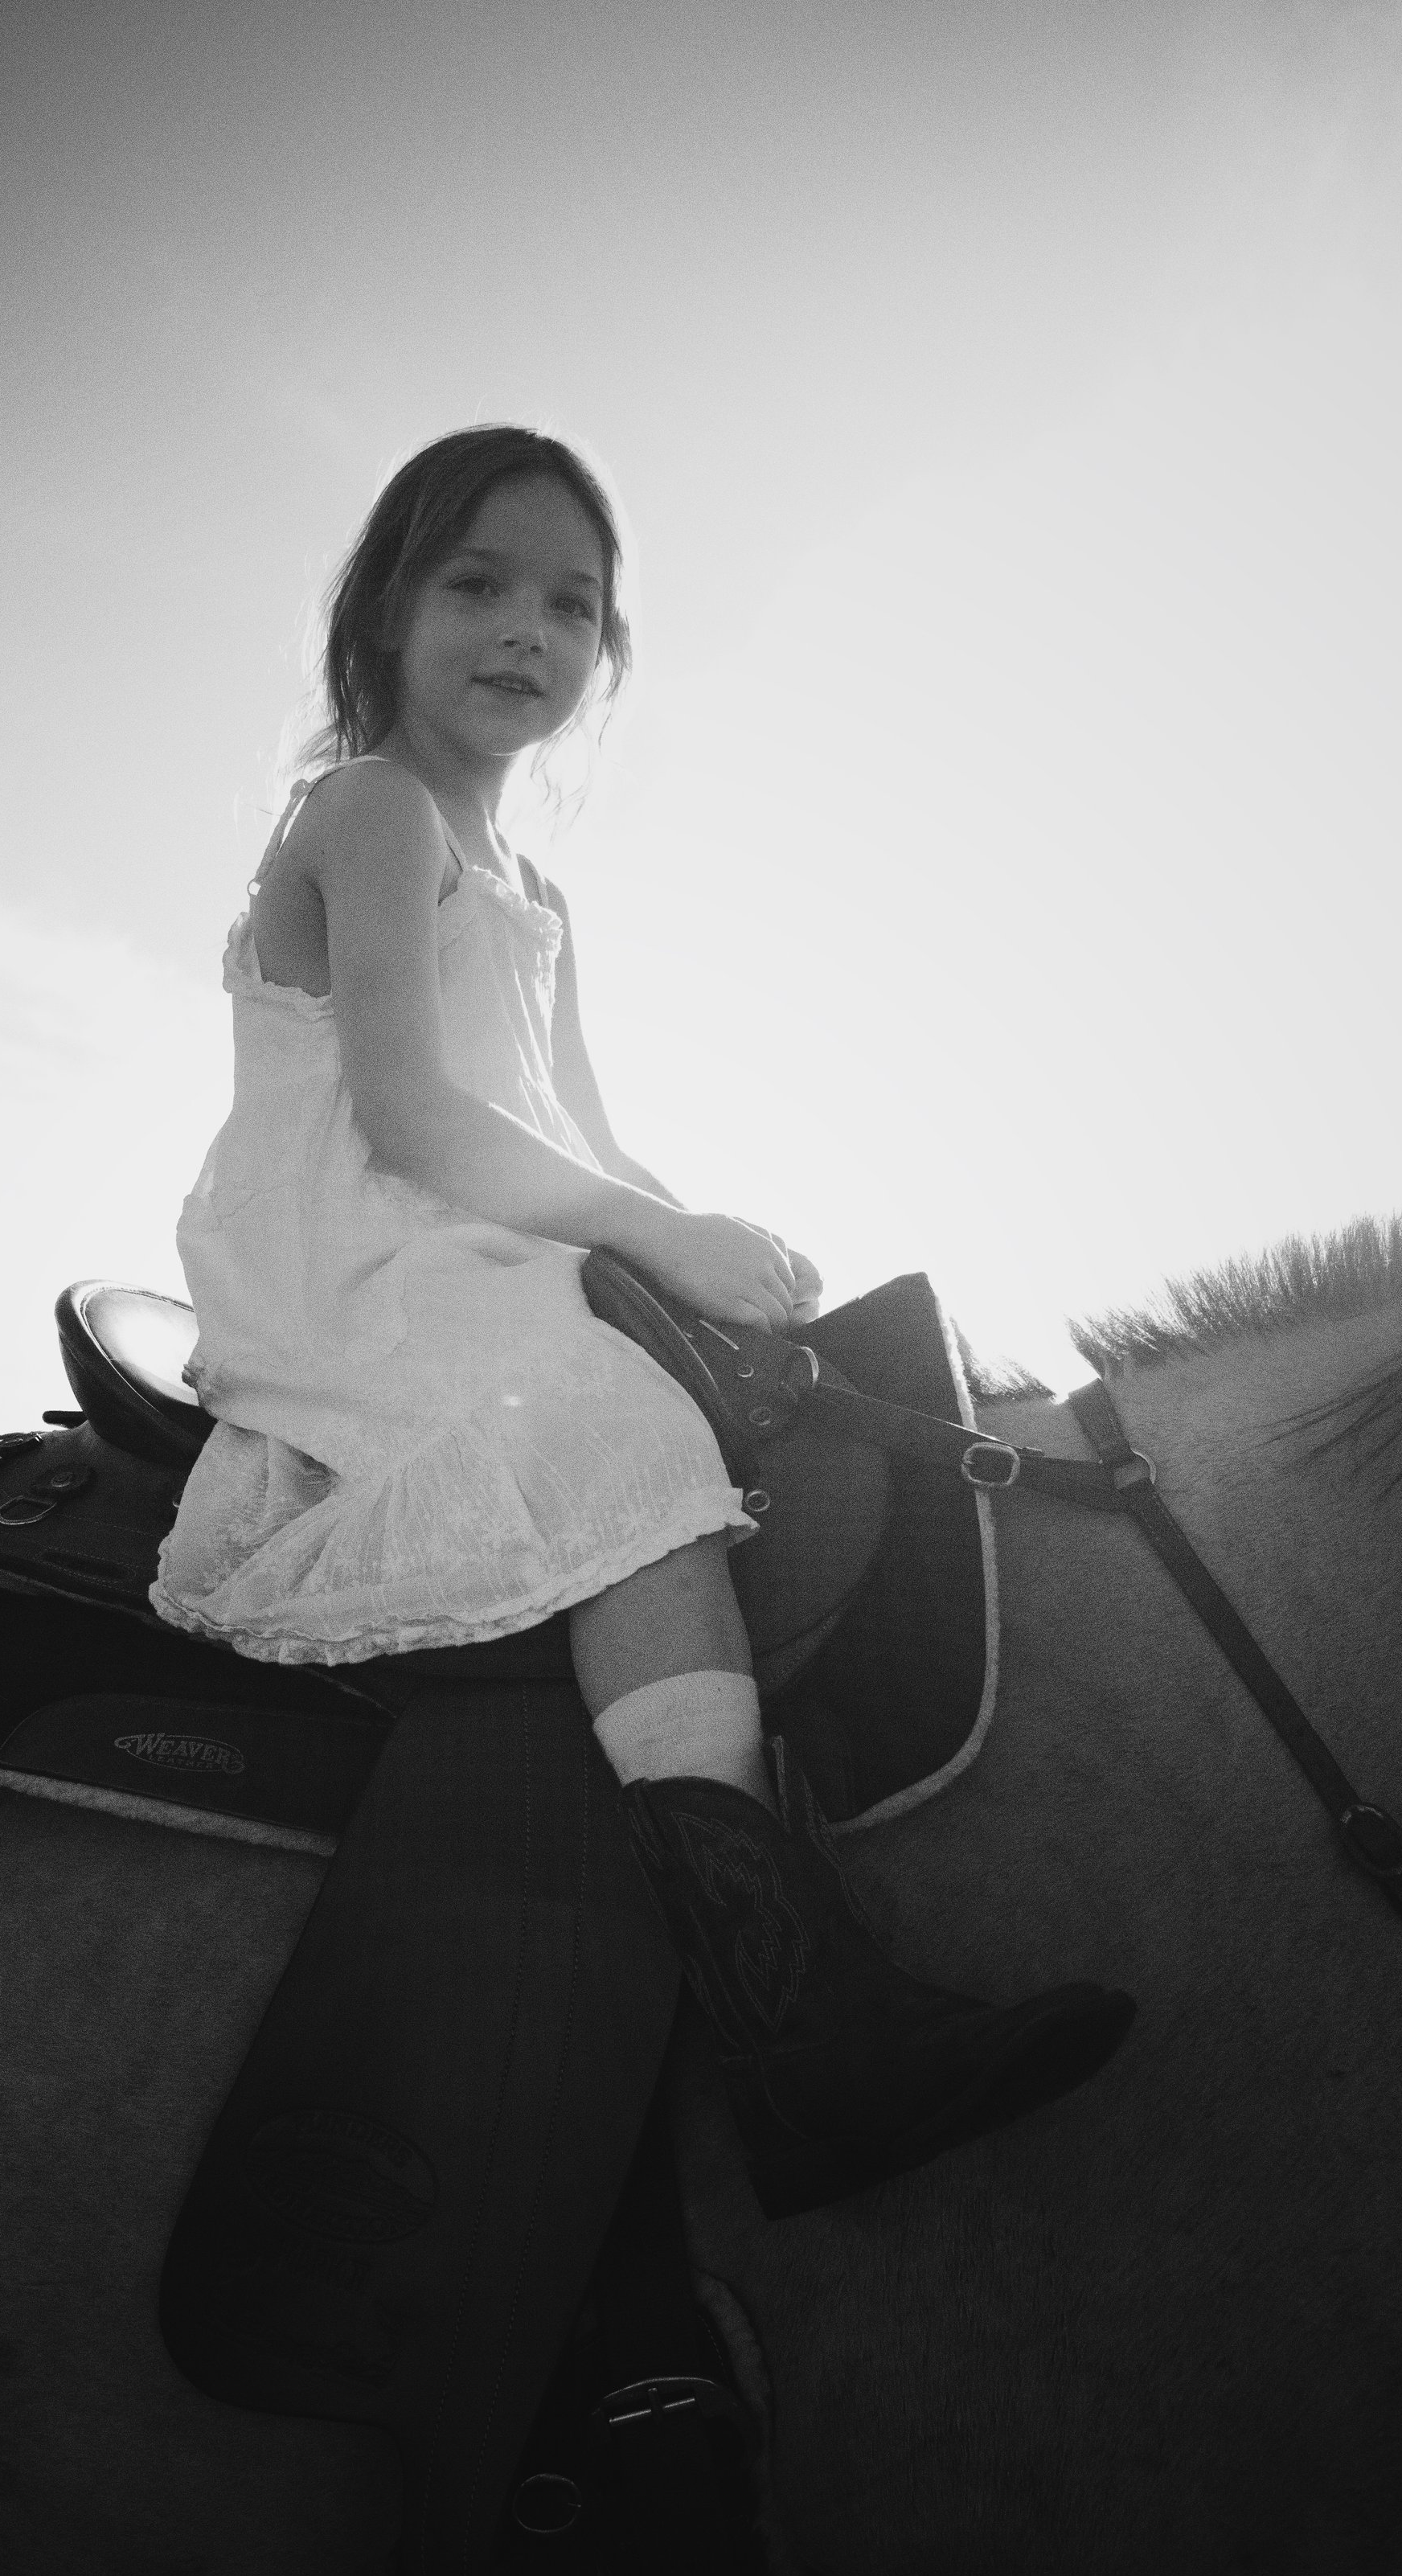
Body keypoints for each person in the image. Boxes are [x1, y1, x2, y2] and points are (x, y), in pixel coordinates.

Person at [154, 425, 1130, 2213]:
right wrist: (647, 1237)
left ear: (604, 655)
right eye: (477, 584)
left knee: (795, 1395)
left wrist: (716, 1244)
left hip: (485, 1237)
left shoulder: (535, 886)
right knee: (623, 1449)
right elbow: (408, 1111)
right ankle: (792, 2023)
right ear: (384, 607)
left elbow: (586, 1135)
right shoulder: (365, 808)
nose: (523, 629)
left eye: (569, 604)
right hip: (367, 1257)